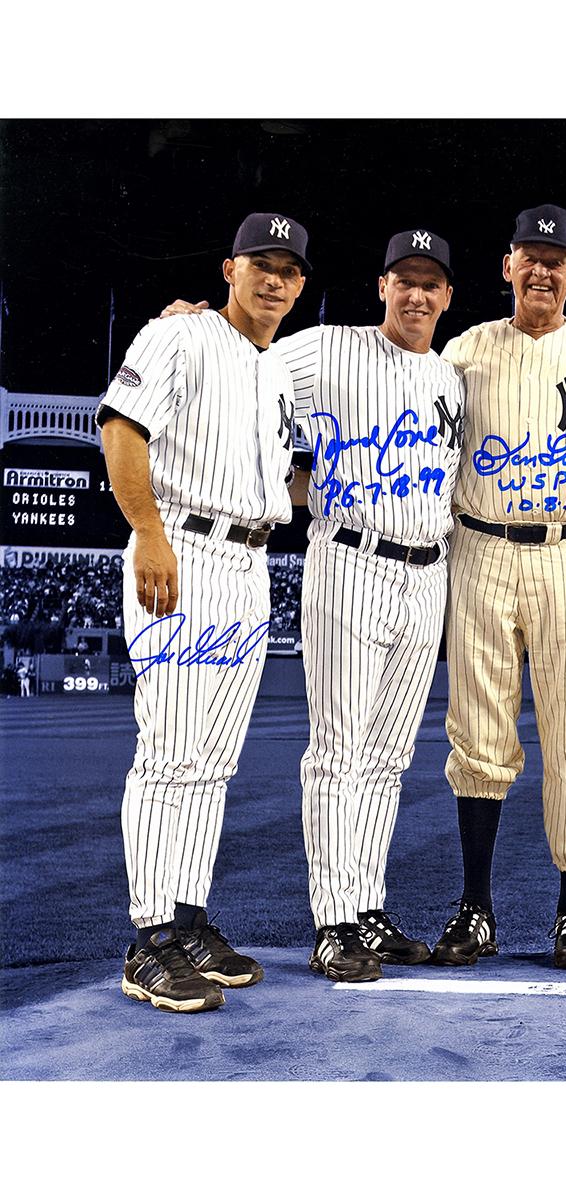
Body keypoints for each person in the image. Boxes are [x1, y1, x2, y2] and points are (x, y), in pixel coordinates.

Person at [161, 230, 464, 983]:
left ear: (449, 296)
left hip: (429, 571)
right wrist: (193, 325)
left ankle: (365, 907)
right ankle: (333, 923)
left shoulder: (452, 379)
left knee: (389, 759)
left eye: (431, 283)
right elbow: (245, 356)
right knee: (339, 751)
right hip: (351, 559)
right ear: (382, 287)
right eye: (405, 280)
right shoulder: (328, 348)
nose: (418, 294)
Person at [100, 212, 309, 1012]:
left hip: (249, 562)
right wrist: (148, 531)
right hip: (182, 549)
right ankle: (148, 938)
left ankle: (187, 921)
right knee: (170, 749)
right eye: (261, 263)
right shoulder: (178, 338)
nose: (274, 279)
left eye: (289, 270)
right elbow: (122, 429)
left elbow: (275, 478)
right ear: (230, 269)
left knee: (212, 759)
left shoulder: (279, 369)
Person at [434, 205, 566, 969]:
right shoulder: (463, 350)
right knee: (477, 732)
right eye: (530, 256)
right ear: (507, 266)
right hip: (481, 548)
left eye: (558, 259)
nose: (543, 270)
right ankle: (474, 906)